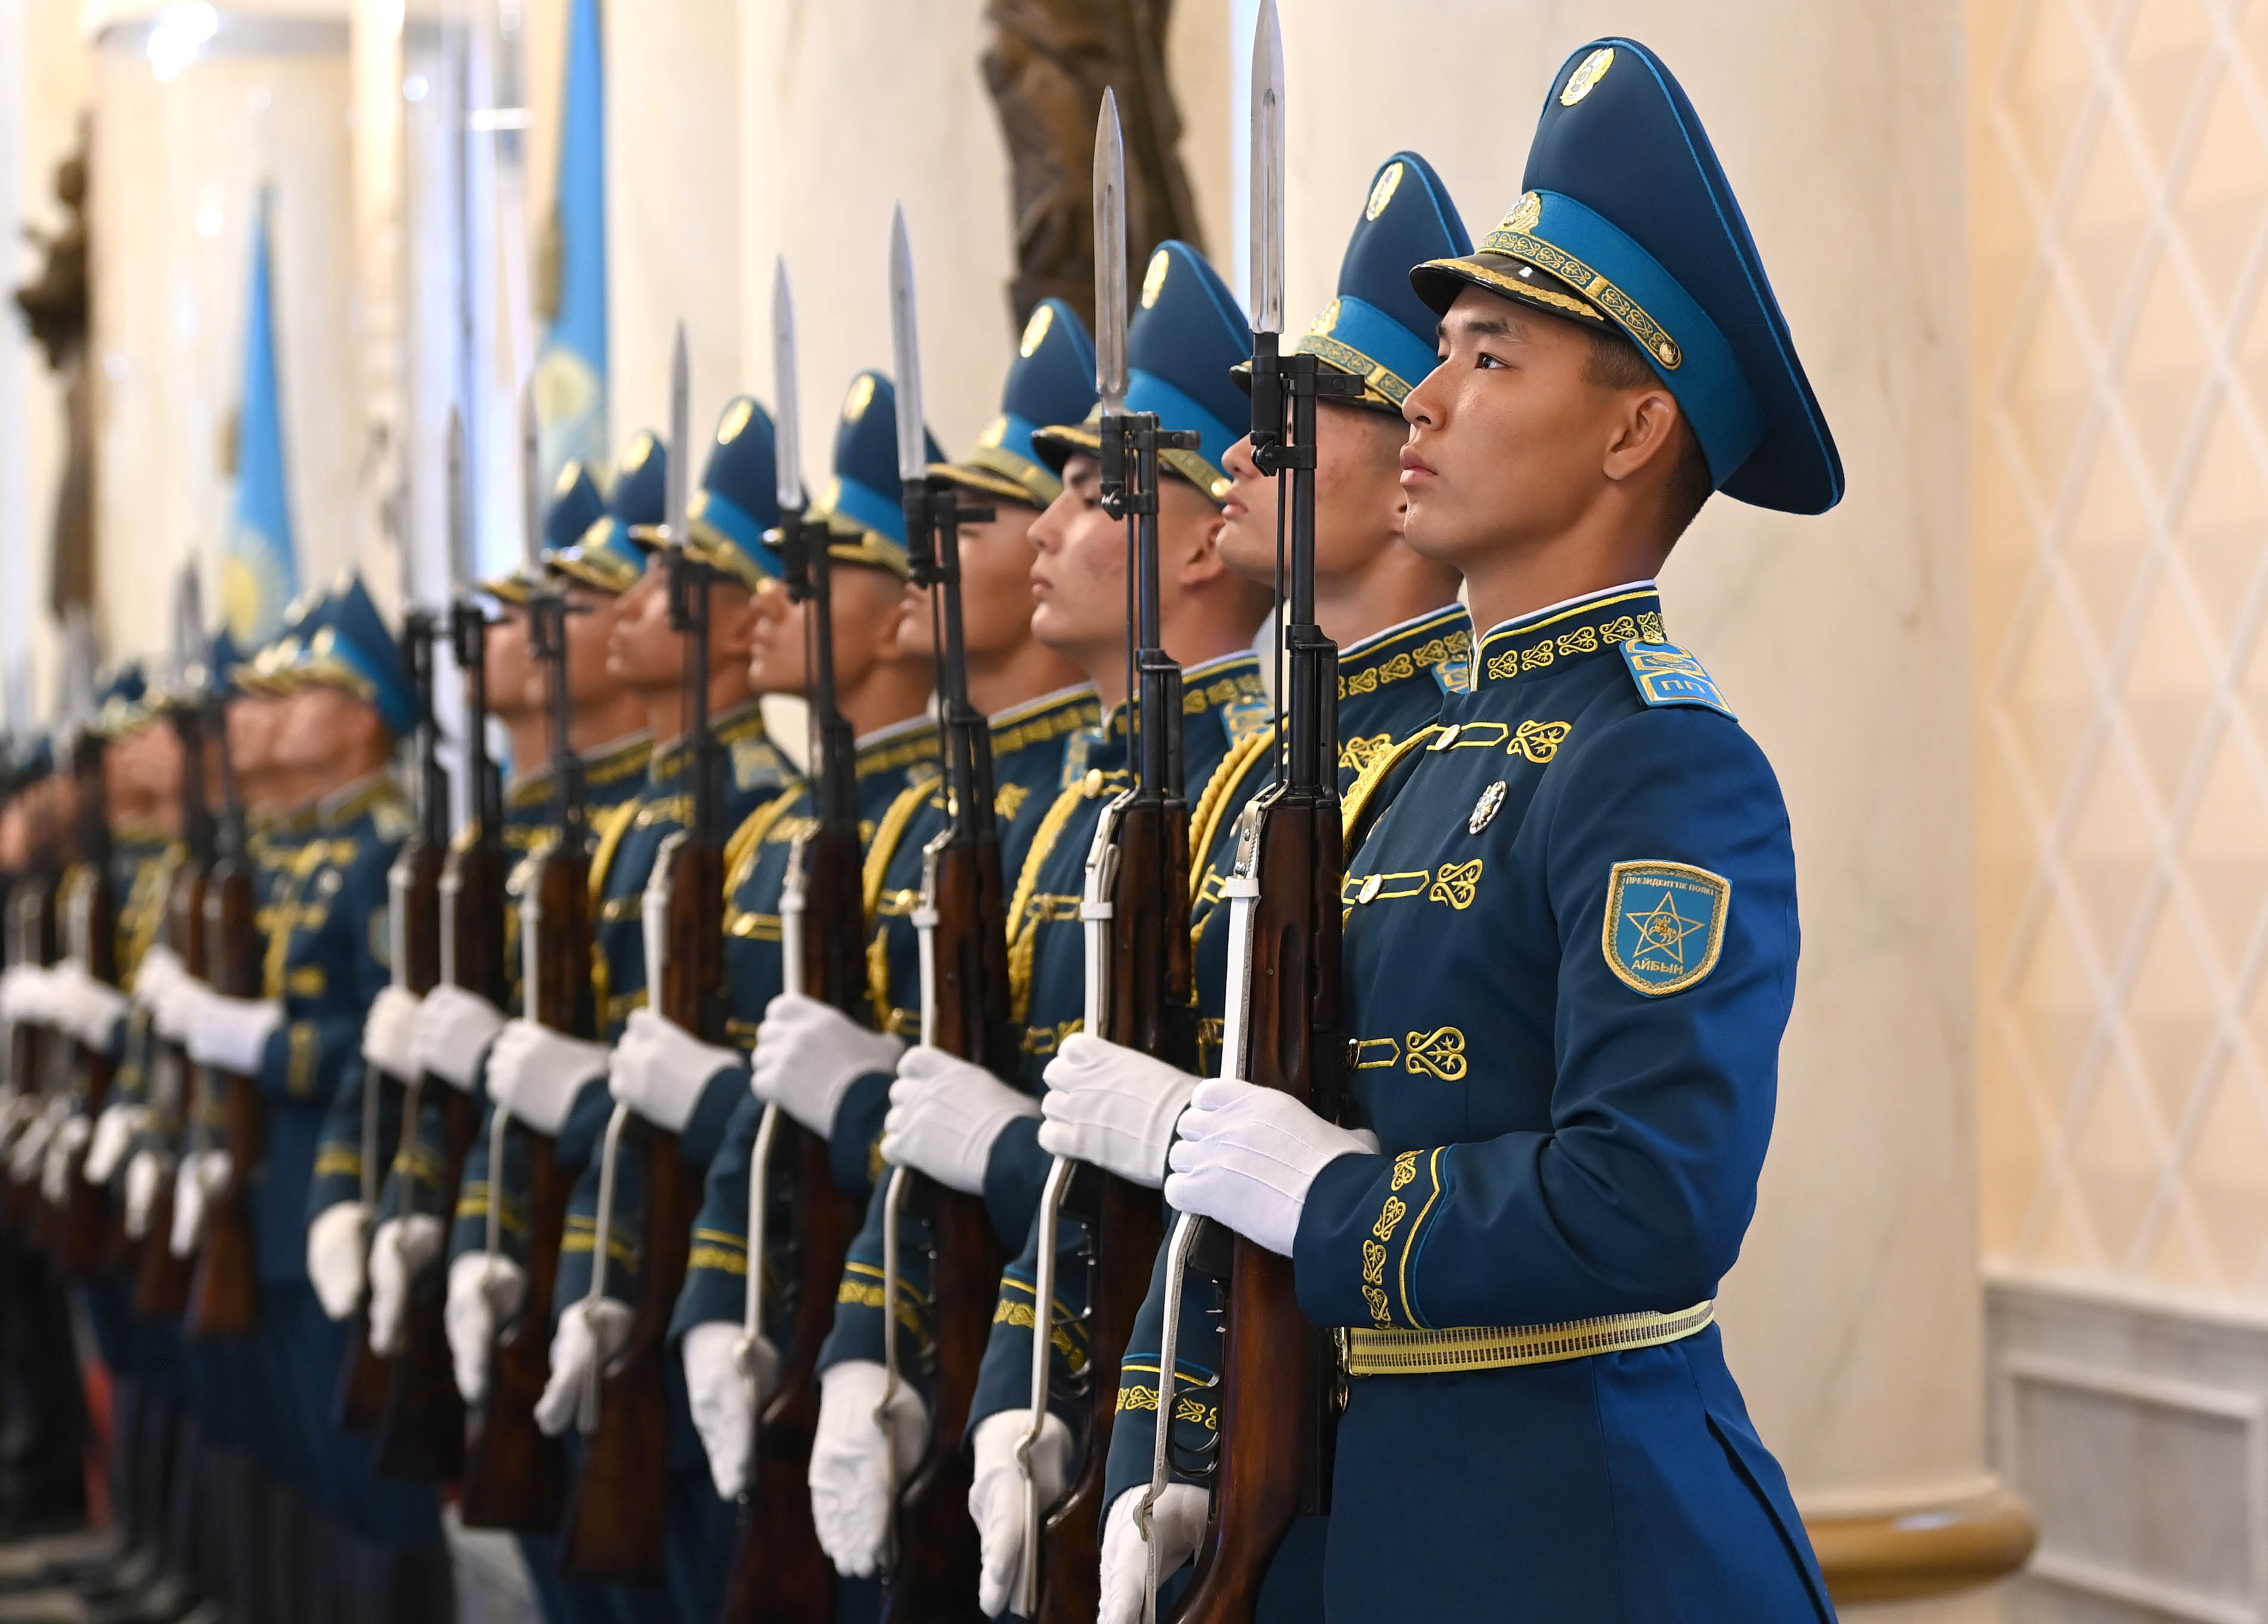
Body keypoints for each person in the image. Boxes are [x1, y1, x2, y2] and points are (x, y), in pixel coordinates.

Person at [1134, 39, 1845, 1620]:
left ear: (1631, 432)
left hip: (1586, 1539)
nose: (1424, 397)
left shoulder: (1660, 765)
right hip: (1392, 1526)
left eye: (1489, 358)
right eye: (1438, 353)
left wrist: (1325, 1198)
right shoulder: (1431, 761)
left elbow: (1647, 1202)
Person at [974, 150, 1479, 1623]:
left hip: (1384, 1457)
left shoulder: (1459, 765)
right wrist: (1100, 1413)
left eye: (1300, 425)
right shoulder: (1247, 785)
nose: (1257, 455)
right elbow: (1137, 1168)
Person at [803, 240, 1277, 1592]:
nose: (1048, 536)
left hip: (1176, 1417)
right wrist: (888, 1352)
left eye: (1091, 495)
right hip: (1016, 1367)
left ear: (1207, 539)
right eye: (1053, 495)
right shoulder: (1082, 807)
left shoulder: (1249, 800)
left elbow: (1188, 1180)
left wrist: (1153, 1441)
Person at [673, 310, 1103, 1542]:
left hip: (1038, 1345)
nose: (925, 564)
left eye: (960, 528)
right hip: (840, 1303)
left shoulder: (1071, 811)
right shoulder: (925, 816)